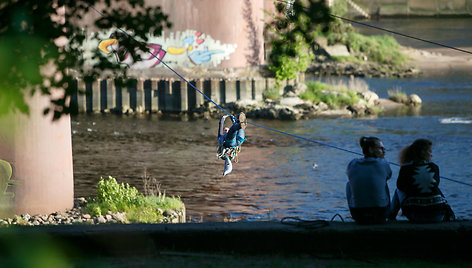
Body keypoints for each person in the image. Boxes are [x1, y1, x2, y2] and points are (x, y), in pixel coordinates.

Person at [390, 138, 454, 223]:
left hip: (416, 216)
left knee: (398, 190)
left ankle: (391, 217)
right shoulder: (434, 167)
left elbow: (400, 186)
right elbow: (435, 185)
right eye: (430, 151)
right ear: (422, 152)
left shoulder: (406, 168)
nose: (431, 155)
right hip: (438, 216)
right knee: (434, 188)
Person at [346, 136, 392, 224]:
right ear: (370, 149)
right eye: (381, 148)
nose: (384, 151)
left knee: (349, 184)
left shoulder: (352, 163)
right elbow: (388, 176)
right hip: (380, 215)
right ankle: (391, 215)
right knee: (384, 184)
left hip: (358, 215)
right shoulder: (384, 163)